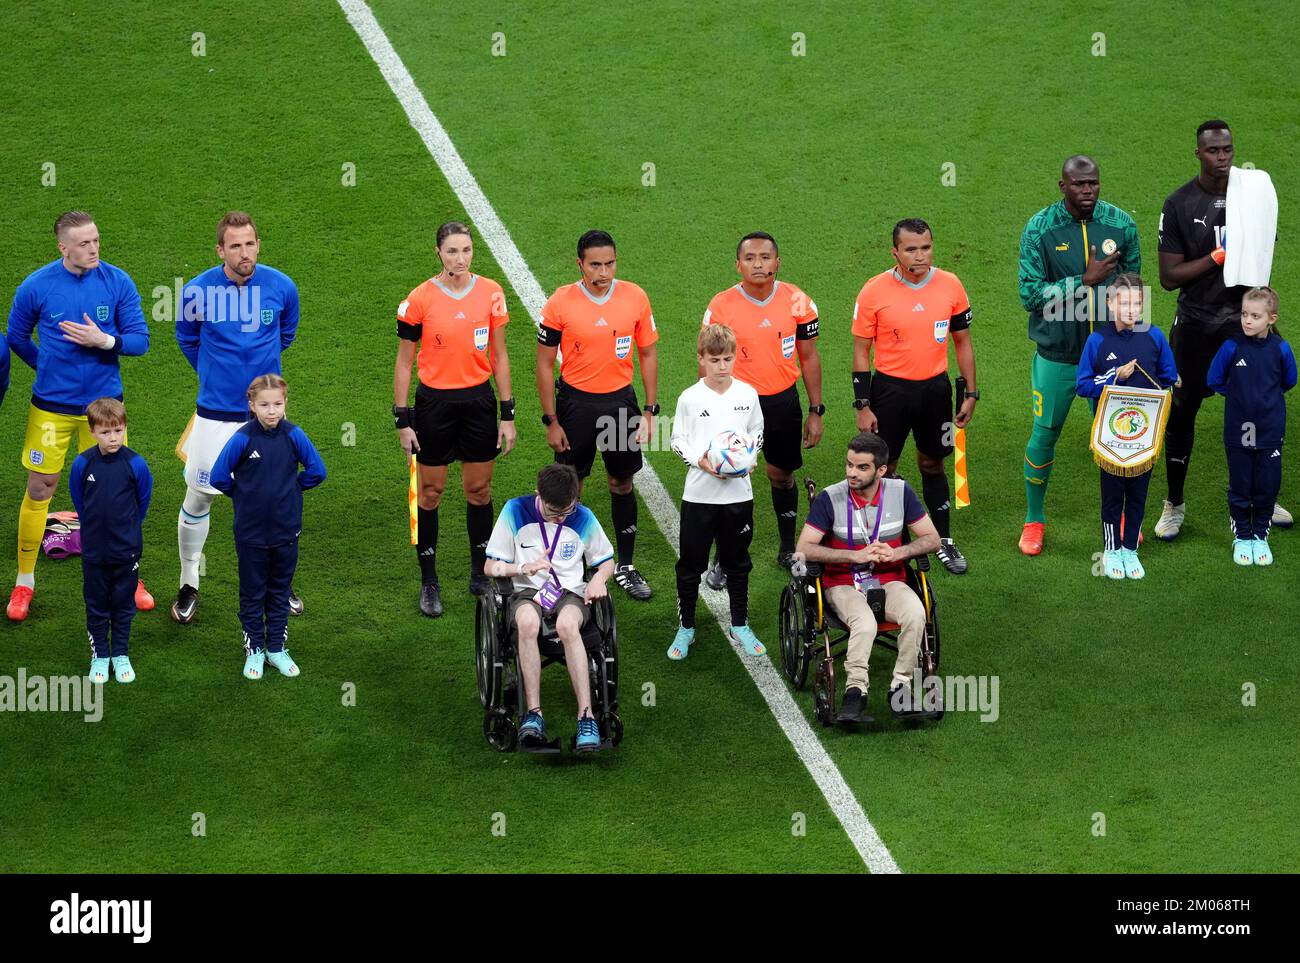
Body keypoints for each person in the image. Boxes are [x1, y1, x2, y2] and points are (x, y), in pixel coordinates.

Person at [5, 211, 152, 622]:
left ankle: (130, 576)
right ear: (63, 247)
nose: (94, 249)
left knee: (113, 492)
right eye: (85, 243)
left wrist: (103, 340)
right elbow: (16, 336)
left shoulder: (117, 282)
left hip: (104, 412)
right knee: (40, 489)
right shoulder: (37, 286)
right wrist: (47, 366)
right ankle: (24, 583)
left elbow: (140, 342)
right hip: (51, 408)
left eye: (97, 240)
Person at [1155, 120, 1292, 538]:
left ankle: (1260, 497)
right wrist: (1218, 258)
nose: (1222, 159)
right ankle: (1174, 504)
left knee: (1257, 409)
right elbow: (1168, 276)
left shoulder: (1251, 196)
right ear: (1198, 152)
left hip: (1243, 326)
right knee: (1181, 412)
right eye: (1214, 152)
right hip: (1195, 326)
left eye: (1228, 150)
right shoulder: (1179, 203)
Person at [173, 211, 303, 624]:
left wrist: (261, 393)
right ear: (220, 250)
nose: (244, 253)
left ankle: (278, 587)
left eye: (250, 244)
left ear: (258, 244)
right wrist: (219, 379)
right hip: (214, 414)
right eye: (235, 246)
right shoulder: (196, 292)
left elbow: (286, 334)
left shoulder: (281, 286)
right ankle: (189, 582)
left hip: (265, 419)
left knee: (270, 502)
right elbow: (187, 340)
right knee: (199, 496)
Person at [1018, 156, 1141, 556]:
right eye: (1079, 184)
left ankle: (1121, 518)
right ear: (1063, 186)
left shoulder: (1121, 224)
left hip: (1110, 356)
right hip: (1058, 356)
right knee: (1044, 435)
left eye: (1094, 184)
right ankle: (1034, 520)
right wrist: (1082, 281)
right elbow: (1030, 295)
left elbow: (1135, 288)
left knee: (1117, 439)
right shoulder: (1040, 229)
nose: (1088, 191)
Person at [394, 221, 515, 618]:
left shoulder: (491, 294)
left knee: (479, 491)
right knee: (429, 494)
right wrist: (403, 419)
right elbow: (404, 361)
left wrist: (507, 413)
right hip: (434, 407)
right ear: (438, 253)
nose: (459, 259)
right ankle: (429, 581)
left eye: (465, 250)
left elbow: (499, 356)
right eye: (451, 251)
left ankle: (480, 572)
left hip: (478, 403)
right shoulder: (419, 300)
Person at [536, 230, 658, 601]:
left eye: (610, 263)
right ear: (580, 265)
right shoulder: (560, 302)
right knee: (571, 487)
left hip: (620, 403)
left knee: (622, 483)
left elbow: (648, 354)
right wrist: (551, 419)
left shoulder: (635, 297)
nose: (604, 272)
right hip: (575, 406)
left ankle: (625, 566)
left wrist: (651, 411)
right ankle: (571, 568)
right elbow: (543, 364)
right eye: (595, 265)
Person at [852, 218, 977, 574]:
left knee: (932, 463)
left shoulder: (951, 285)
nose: (919, 256)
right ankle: (886, 544)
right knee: (883, 468)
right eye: (910, 249)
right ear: (895, 252)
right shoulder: (874, 291)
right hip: (889, 392)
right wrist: (863, 404)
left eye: (925, 248)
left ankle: (943, 541)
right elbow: (861, 351)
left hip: (935, 392)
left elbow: (963, 342)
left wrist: (971, 392)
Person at [700, 231, 823, 589]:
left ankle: (787, 548)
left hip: (783, 402)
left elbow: (809, 356)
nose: (759, 264)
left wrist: (816, 409)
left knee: (781, 475)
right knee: (730, 480)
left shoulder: (798, 301)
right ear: (738, 264)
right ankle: (725, 557)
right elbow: (706, 364)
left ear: (777, 262)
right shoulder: (722, 307)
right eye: (750, 258)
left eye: (766, 257)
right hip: (735, 405)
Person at [794, 432, 939, 722]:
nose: (851, 473)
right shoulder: (830, 498)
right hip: (842, 582)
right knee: (865, 623)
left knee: (915, 612)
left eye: (861, 468)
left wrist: (899, 553)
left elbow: (932, 539)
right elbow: (803, 549)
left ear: (881, 470)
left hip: (890, 578)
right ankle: (855, 691)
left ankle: (901, 686)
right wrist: (854, 556)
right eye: (849, 465)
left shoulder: (901, 493)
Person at [484, 464, 616, 753]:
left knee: (568, 625)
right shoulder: (514, 512)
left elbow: (607, 561)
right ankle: (534, 713)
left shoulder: (582, 517)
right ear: (538, 495)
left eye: (565, 511)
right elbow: (489, 566)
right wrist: (521, 567)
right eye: (551, 511)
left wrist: (599, 578)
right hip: (527, 593)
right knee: (528, 624)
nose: (558, 518)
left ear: (575, 500)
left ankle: (587, 716)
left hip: (570, 593)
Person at [210, 375, 326, 681]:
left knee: (278, 591)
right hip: (250, 534)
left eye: (277, 404)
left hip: (286, 531)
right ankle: (254, 650)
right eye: (264, 405)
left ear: (286, 403)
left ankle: (276, 648)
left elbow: (318, 471)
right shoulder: (242, 438)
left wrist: (293, 489)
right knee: (252, 592)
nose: (271, 410)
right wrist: (244, 495)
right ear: (252, 405)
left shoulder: (294, 435)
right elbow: (219, 477)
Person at [667, 324, 766, 660]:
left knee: (738, 563)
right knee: (690, 564)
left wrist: (750, 459)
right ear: (701, 359)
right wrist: (701, 460)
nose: (722, 366)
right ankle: (686, 628)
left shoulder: (747, 395)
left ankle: (739, 624)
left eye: (727, 358)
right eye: (715, 359)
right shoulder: (689, 398)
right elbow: (677, 440)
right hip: (699, 497)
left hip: (739, 496)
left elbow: (757, 432)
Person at [1075, 274, 1178, 580]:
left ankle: (1130, 549)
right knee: (1111, 497)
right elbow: (1083, 385)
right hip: (1110, 438)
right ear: (1110, 303)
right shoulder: (1097, 341)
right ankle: (1110, 550)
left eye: (1137, 303)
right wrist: (1114, 377)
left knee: (1137, 496)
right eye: (1124, 303)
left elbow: (1168, 377)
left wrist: (1161, 390)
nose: (1131, 310)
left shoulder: (1155, 337)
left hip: (1143, 437)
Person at [1207, 286, 1296, 565]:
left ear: (1271, 318)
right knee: (1241, 483)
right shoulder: (1232, 347)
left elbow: (1289, 381)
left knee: (1267, 485)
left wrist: (1263, 400)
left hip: (1270, 430)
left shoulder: (1280, 348)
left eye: (1255, 316)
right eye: (1244, 314)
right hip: (1238, 429)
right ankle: (1242, 536)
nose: (1247, 320)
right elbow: (1214, 379)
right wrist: (1239, 396)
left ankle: (1260, 536)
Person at [68, 398, 152, 684]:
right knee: (96, 604)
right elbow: (80, 502)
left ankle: (120, 654)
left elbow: (142, 503)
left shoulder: (136, 464)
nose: (112, 437)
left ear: (124, 428)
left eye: (117, 431)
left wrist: (126, 530)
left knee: (123, 604)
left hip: (126, 551)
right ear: (92, 431)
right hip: (94, 551)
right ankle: (101, 655)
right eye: (105, 432)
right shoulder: (82, 464)